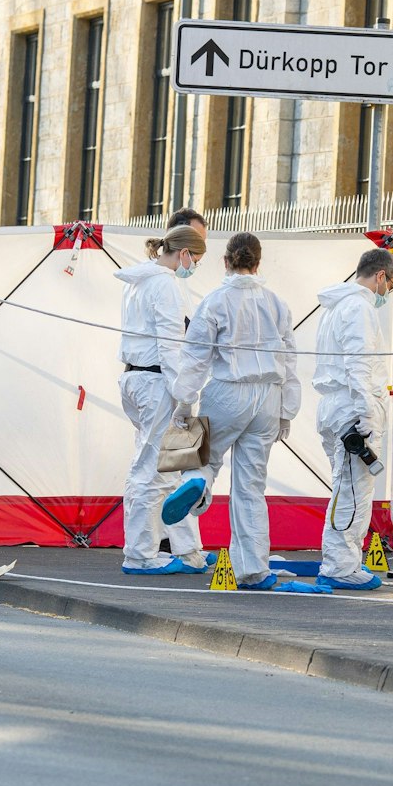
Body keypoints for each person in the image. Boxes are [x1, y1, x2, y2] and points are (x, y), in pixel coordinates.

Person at [161, 232, 301, 590]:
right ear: (258, 263)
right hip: (268, 396)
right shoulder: (277, 304)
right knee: (252, 485)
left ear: (226, 262)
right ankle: (253, 569)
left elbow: (195, 358)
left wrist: (184, 403)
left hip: (228, 390)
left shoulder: (214, 302)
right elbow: (289, 359)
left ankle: (198, 481)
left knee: (201, 457)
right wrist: (287, 410)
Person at [113, 224, 213, 575]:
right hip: (158, 381)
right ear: (184, 254)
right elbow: (170, 346)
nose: (194, 266)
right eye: (196, 259)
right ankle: (140, 554)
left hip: (135, 377)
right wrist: (186, 398)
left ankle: (187, 550)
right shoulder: (166, 285)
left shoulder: (139, 282)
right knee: (154, 470)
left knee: (163, 466)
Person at [313, 247, 393, 590]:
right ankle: (340, 565)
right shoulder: (359, 308)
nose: (388, 294)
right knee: (353, 491)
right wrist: (367, 410)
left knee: (344, 486)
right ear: (381, 276)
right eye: (391, 286)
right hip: (352, 409)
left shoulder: (336, 307)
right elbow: (358, 363)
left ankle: (341, 561)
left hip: (336, 406)